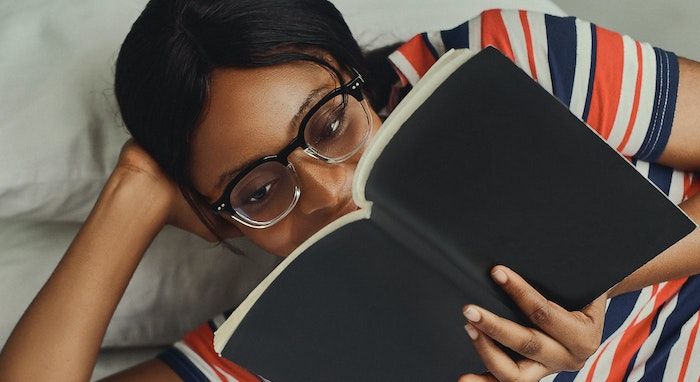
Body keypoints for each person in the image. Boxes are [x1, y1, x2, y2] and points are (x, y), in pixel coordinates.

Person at [0, 1, 699, 381]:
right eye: (260, 190)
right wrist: (133, 195)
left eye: (332, 125)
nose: (331, 192)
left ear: (359, 75)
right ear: (221, 222)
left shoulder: (508, 65)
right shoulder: (280, 342)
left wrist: (583, 278)